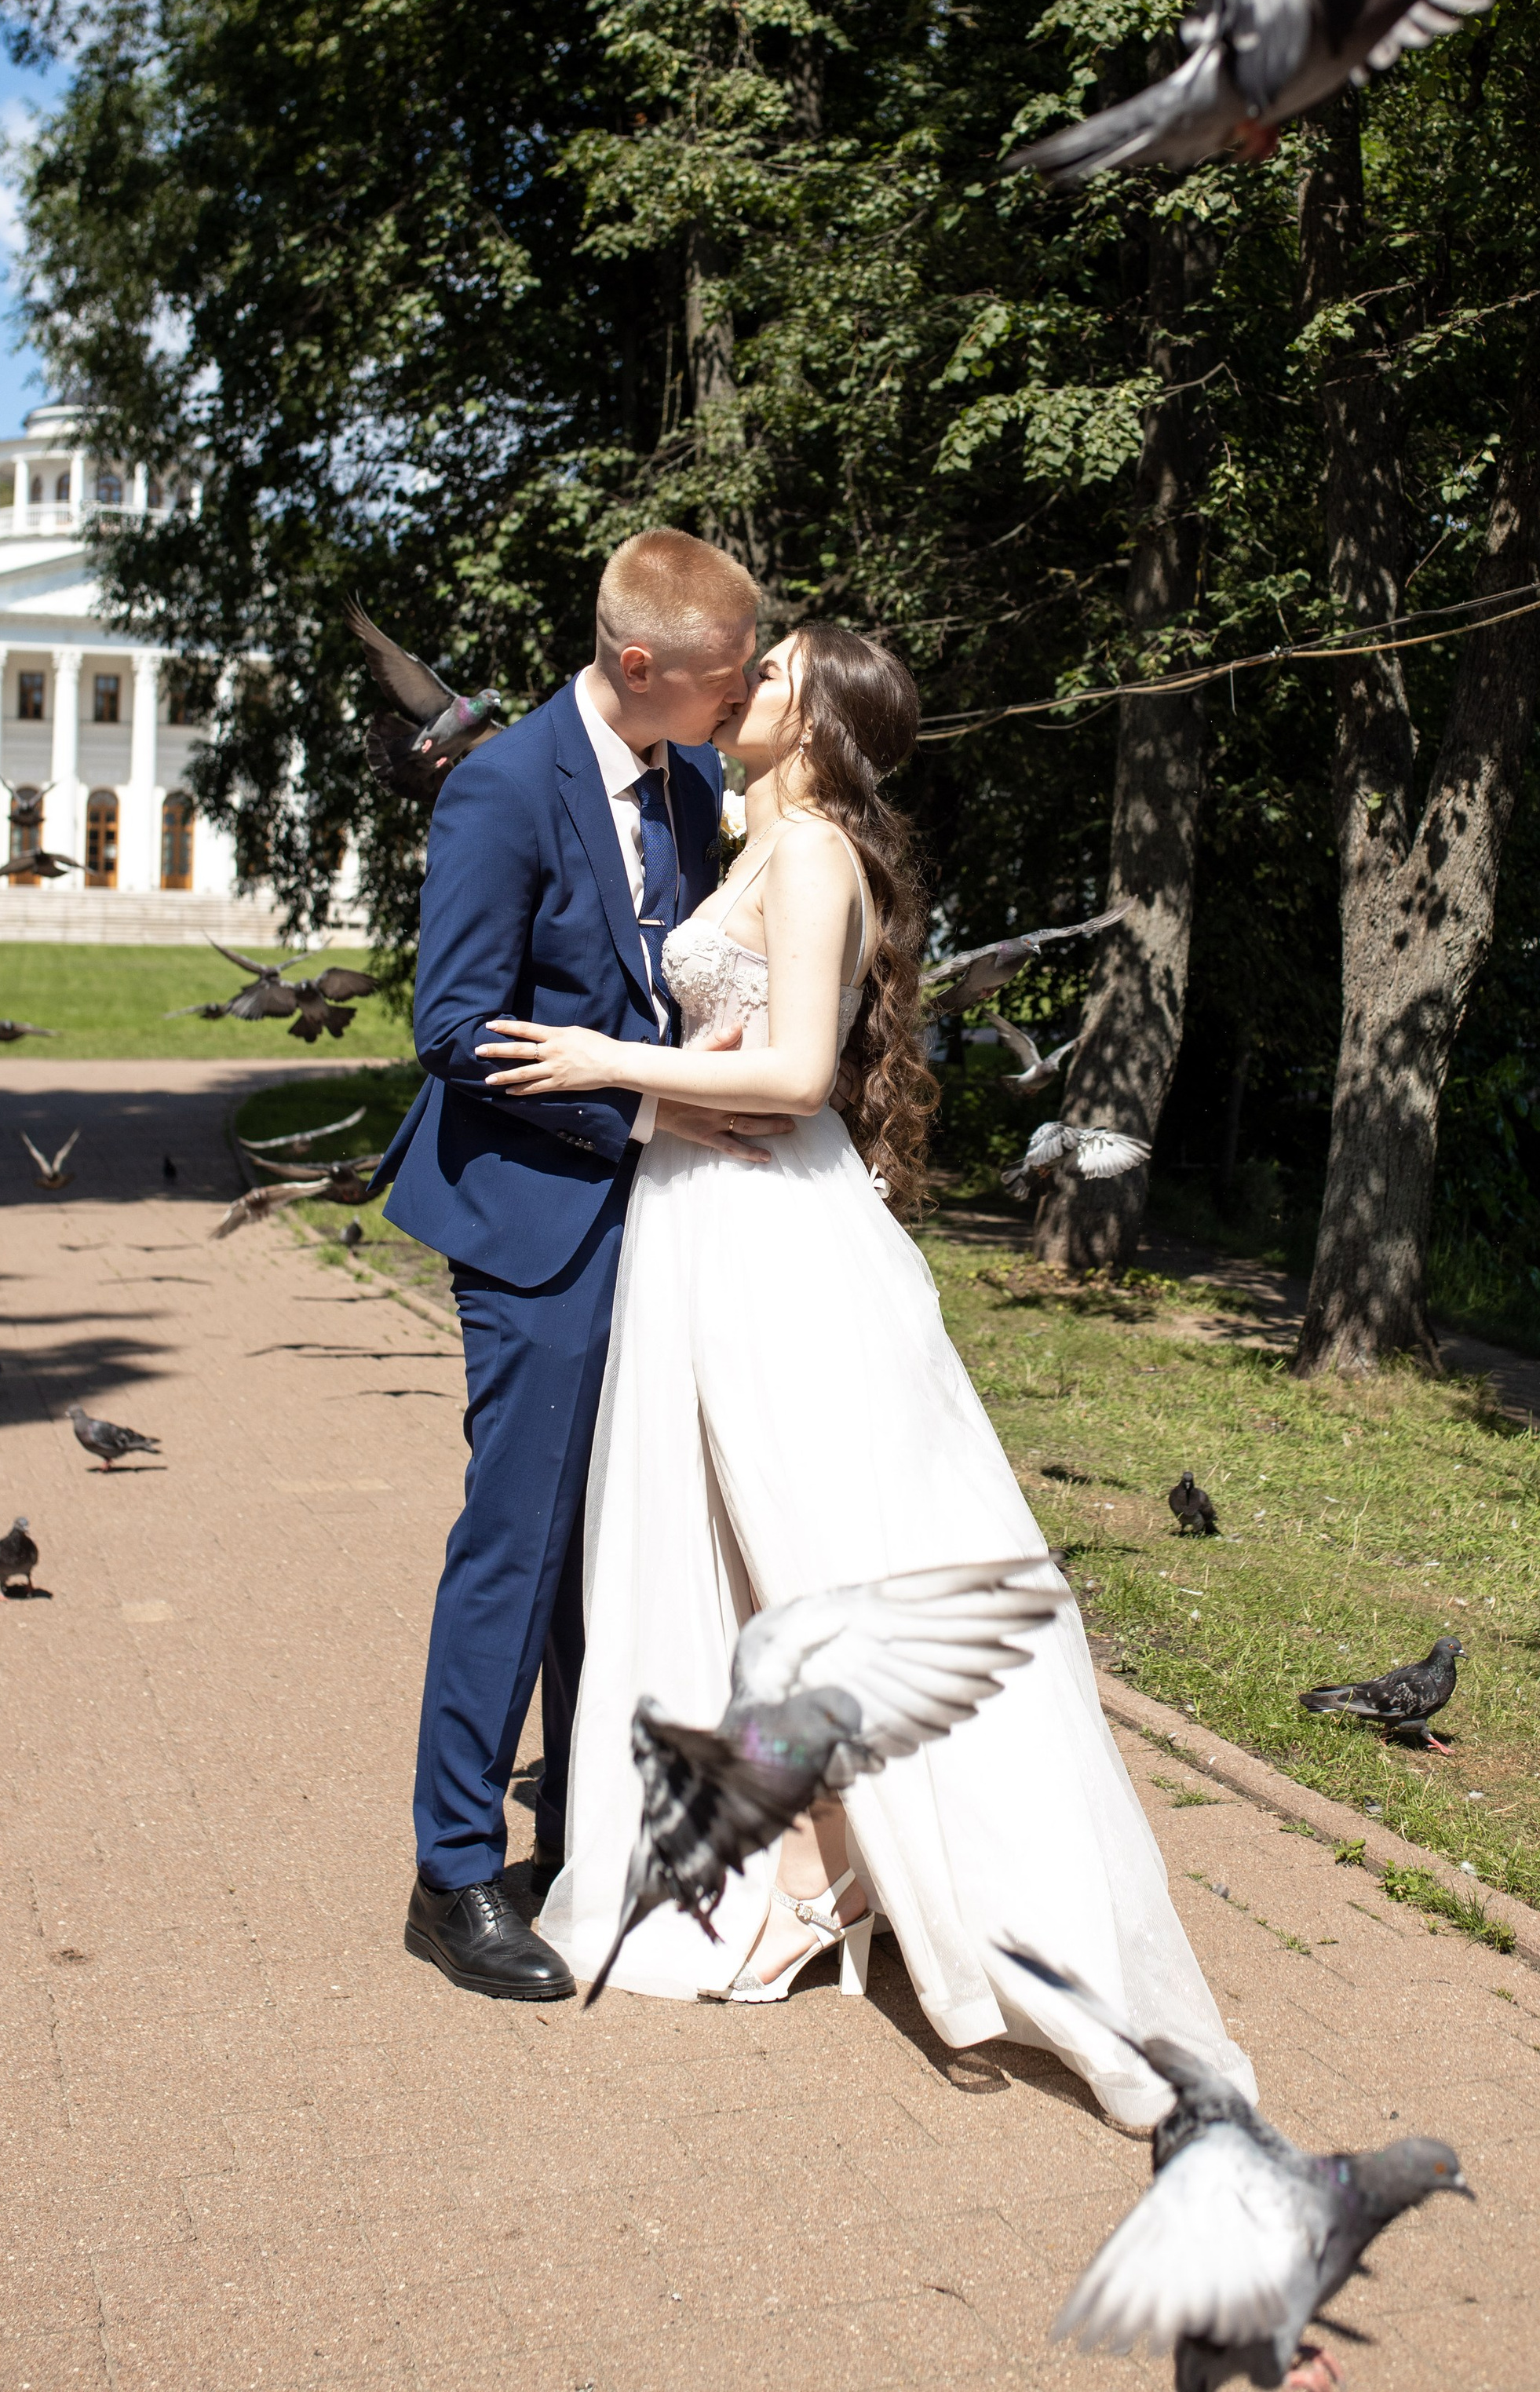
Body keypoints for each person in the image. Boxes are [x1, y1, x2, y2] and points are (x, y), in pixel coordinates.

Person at [481, 623, 1256, 2123]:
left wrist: (601, 1061)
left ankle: (936, 1877)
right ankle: (781, 1857)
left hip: (776, 1234)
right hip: (704, 1223)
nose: (735, 686)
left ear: (821, 722)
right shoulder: (751, 842)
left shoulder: (819, 850)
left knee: (836, 1546)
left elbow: (792, 1076)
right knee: (730, 1549)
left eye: (765, 674)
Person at [376, 528, 789, 2003]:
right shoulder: (500, 787)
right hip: (535, 1221)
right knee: (525, 1537)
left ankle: (579, 1825)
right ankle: (454, 1870)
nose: (742, 698)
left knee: (619, 1539)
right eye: (726, 677)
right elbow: (455, 1025)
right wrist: (649, 1106)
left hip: (672, 1220)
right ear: (639, 667)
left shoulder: (690, 785)